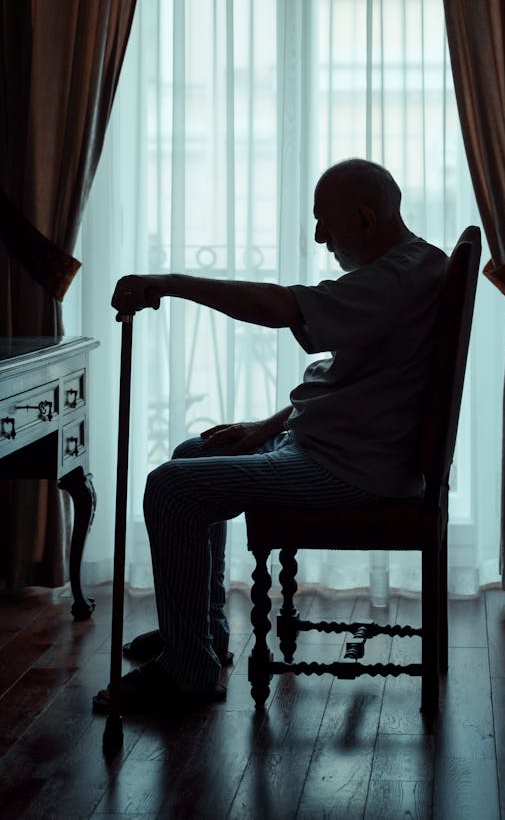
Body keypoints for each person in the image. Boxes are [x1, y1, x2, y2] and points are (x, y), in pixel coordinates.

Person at [92, 159, 448, 714]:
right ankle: (198, 636)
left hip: (350, 471)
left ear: (364, 218)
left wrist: (169, 283)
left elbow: (282, 307)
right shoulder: (413, 265)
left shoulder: (397, 279)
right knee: (196, 453)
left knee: (172, 487)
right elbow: (356, 383)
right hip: (337, 448)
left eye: (324, 223)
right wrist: (265, 427)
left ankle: (188, 671)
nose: (318, 237)